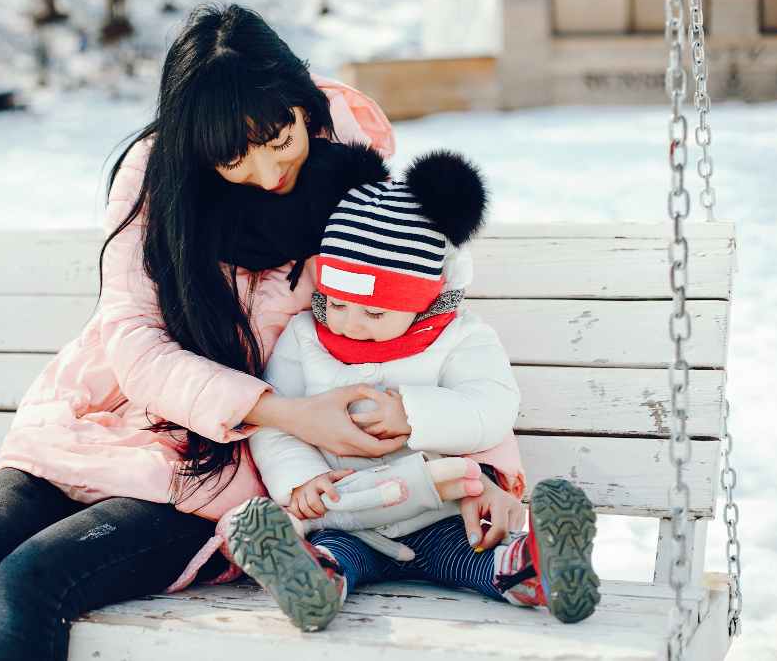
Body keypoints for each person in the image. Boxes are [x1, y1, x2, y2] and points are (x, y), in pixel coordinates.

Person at [0, 3, 524, 661]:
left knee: (30, 578)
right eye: (234, 159)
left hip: (216, 473)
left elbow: (430, 332)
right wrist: (289, 411)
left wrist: (488, 471)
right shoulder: (158, 178)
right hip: (94, 424)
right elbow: (132, 341)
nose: (266, 172)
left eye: (279, 138)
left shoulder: (360, 189)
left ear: (301, 101)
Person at [224, 149, 602, 631]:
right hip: (350, 515)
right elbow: (279, 422)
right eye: (336, 303)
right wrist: (299, 482)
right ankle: (314, 581)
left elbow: (492, 405)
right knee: (335, 554)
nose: (351, 324)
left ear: (421, 298)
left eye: (375, 313)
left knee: (478, 555)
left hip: (438, 512)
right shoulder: (304, 336)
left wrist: (414, 413)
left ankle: (538, 570)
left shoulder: (458, 337)